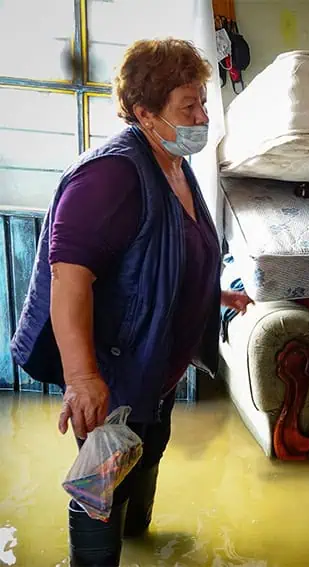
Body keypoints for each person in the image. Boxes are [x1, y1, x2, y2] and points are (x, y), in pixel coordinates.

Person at [10, 38, 252, 566]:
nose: (202, 115)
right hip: (115, 374)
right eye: (189, 105)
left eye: (203, 103)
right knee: (101, 490)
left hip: (155, 371)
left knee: (145, 457)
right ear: (145, 112)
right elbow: (68, 277)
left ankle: (141, 544)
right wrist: (81, 378)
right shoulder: (111, 174)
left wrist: (211, 294)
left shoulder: (173, 163)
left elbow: (159, 254)